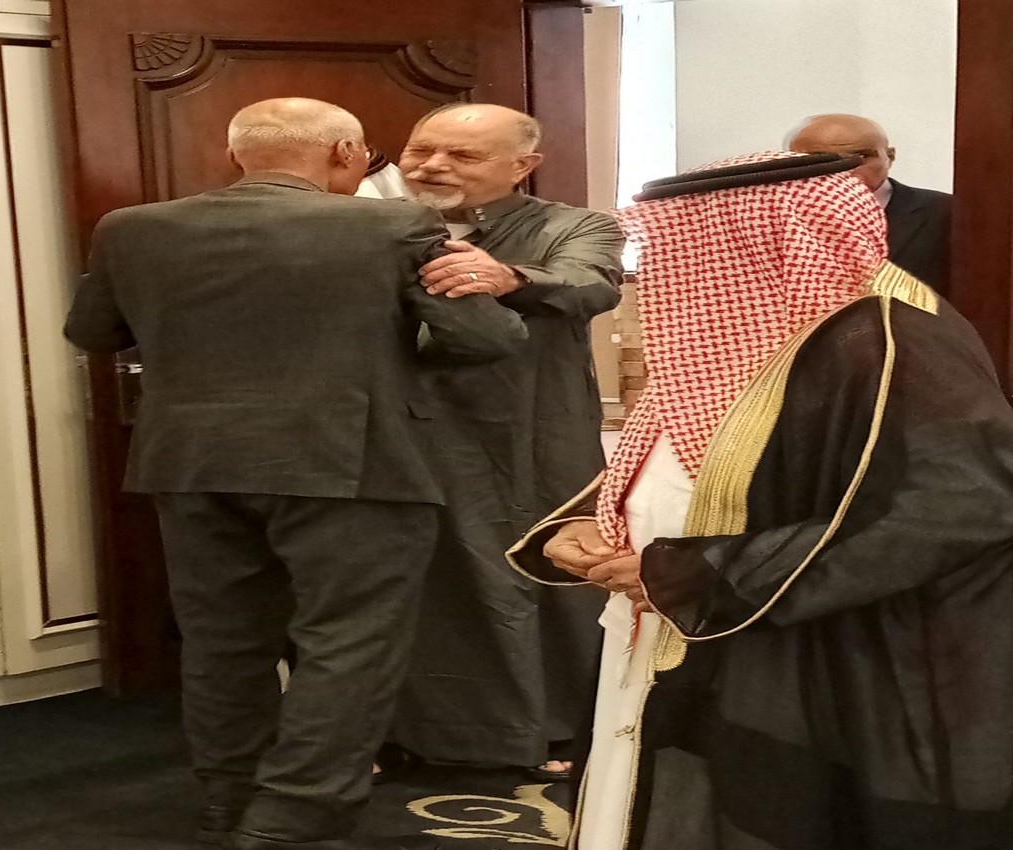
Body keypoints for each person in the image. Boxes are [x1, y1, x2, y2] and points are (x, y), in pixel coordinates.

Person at [508, 150, 1013, 849]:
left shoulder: (887, 340)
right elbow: (696, 458)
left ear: (760, 239)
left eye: (686, 241)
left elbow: (960, 507)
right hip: (676, 622)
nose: (664, 265)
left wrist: (706, 572)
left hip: (806, 651)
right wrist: (590, 524)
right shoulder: (752, 336)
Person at [64, 97, 528, 850]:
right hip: (354, 463)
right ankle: (294, 820)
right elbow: (484, 338)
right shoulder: (393, 226)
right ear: (346, 154)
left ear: (236, 155)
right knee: (347, 644)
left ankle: (227, 804)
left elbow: (92, 331)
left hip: (191, 465)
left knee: (223, 644)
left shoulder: (131, 228)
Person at [383, 103, 624, 780]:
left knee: (541, 571)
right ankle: (413, 732)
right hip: (403, 430)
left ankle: (557, 728)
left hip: (528, 430)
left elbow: (592, 285)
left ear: (524, 166)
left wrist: (510, 278)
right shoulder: (372, 225)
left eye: (462, 155)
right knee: (418, 584)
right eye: (421, 150)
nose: (433, 166)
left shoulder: (574, 226)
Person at [789, 113, 952, 295]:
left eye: (861, 156)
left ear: (890, 157)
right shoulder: (776, 219)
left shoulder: (947, 212)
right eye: (822, 159)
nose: (846, 169)